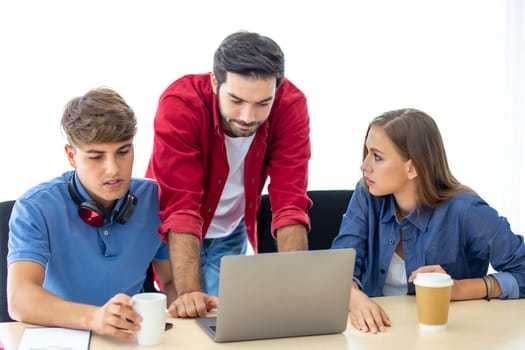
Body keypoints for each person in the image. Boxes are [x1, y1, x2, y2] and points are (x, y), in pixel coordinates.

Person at [145, 31, 312, 317]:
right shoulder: (181, 103)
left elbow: (289, 202)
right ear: (214, 81)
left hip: (231, 227)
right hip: (172, 229)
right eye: (236, 100)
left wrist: (300, 291)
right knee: (185, 316)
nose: (248, 116)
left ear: (278, 89)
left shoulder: (290, 105)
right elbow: (181, 207)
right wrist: (188, 295)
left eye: (263, 104)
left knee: (224, 321)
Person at [331, 108, 525, 334]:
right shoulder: (366, 195)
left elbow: (522, 270)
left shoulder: (466, 210)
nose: (364, 166)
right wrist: (357, 300)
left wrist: (456, 289)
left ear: (412, 168)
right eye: (366, 153)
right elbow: (339, 270)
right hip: (376, 335)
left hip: (449, 336)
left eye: (377, 156)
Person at [7, 87, 176, 341]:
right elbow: (20, 300)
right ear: (71, 156)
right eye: (96, 156)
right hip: (60, 338)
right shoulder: (35, 207)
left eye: (123, 151)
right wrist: (95, 318)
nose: (113, 169)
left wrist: (189, 302)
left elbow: (171, 282)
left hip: (128, 339)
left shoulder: (155, 199)